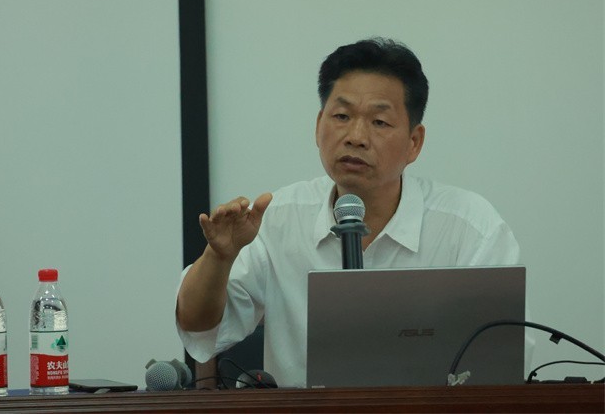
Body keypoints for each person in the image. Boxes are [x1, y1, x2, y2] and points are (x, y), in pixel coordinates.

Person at [175, 37, 526, 388]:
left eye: (379, 122)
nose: (356, 137)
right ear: (319, 126)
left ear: (414, 142)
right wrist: (219, 258)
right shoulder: (278, 218)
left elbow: (503, 362)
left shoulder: (470, 229)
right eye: (342, 116)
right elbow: (199, 328)